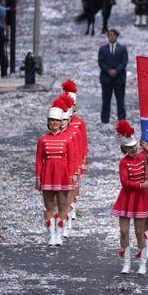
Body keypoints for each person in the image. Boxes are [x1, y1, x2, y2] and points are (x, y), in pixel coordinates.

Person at [111, 120, 148, 275]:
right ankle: (126, 263)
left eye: (134, 146)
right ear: (124, 148)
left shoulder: (145, 157)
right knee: (124, 231)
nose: (133, 149)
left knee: (140, 232)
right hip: (127, 199)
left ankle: (142, 263)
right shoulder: (123, 162)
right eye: (129, 147)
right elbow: (125, 182)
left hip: (141, 200)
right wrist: (141, 185)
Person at [35, 98, 78, 246]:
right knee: (49, 206)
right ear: (48, 122)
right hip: (47, 174)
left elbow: (72, 159)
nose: (54, 123)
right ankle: (51, 235)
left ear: (61, 122)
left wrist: (73, 175)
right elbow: (39, 159)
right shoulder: (42, 140)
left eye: (56, 121)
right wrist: (38, 177)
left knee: (62, 205)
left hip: (63, 175)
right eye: (51, 120)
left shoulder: (67, 139)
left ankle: (59, 234)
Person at [60, 80, 88, 230]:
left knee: (73, 184)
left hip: (75, 158)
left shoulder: (79, 123)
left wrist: (82, 158)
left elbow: (82, 142)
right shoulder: (58, 121)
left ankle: (71, 205)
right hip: (61, 160)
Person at [98, 29, 128, 126]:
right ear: (108, 36)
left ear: (116, 36)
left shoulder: (122, 49)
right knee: (106, 101)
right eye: (110, 35)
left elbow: (124, 62)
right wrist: (108, 70)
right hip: (106, 79)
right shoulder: (103, 49)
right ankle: (104, 120)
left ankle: (122, 120)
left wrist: (116, 71)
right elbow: (101, 62)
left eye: (113, 35)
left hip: (119, 79)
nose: (112, 37)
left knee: (120, 101)